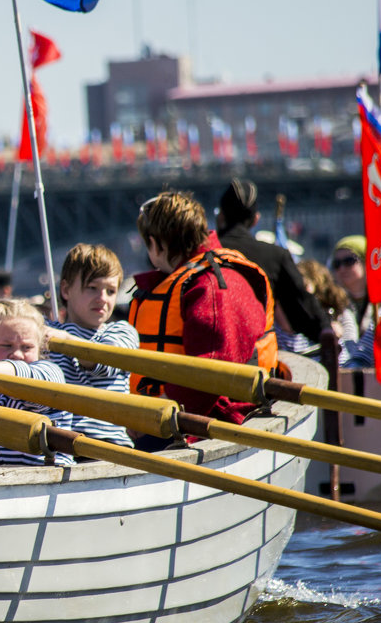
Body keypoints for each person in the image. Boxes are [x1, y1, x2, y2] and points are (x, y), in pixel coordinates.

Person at [130, 190, 276, 426]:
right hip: (193, 417)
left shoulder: (210, 287)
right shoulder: (206, 278)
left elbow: (211, 370)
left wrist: (157, 414)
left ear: (156, 245)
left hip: (209, 424)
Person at [216, 179, 332, 345]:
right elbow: (303, 313)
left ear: (220, 216)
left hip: (206, 358)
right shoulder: (275, 256)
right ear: (255, 219)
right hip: (256, 358)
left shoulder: (201, 253)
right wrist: (326, 332)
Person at [45, 243, 137, 448]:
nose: (102, 299)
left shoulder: (122, 332)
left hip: (110, 446)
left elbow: (106, 360)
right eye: (92, 288)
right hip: (58, 446)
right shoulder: (41, 329)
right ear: (66, 290)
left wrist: (64, 340)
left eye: (111, 291)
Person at [0, 298, 76, 467]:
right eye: (6, 345)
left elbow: (23, 374)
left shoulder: (50, 373)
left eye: (27, 347)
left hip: (46, 481)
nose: (17, 354)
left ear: (39, 349)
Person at [330, 235, 373, 335]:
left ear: (366, 261)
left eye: (349, 261)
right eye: (337, 264)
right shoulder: (333, 301)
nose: (342, 268)